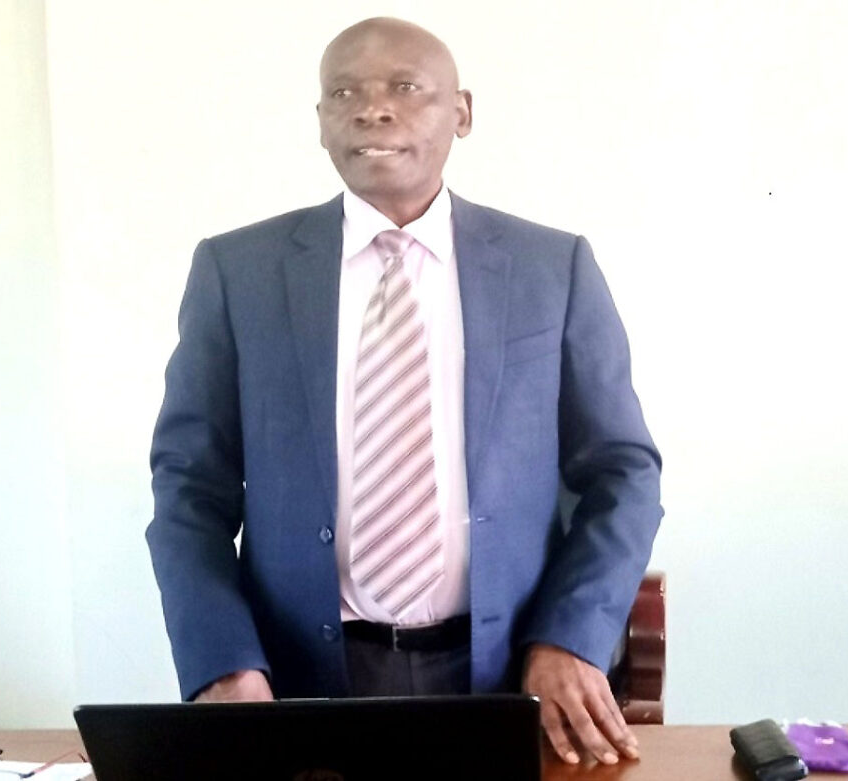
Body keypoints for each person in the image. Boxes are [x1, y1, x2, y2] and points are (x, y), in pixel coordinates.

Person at [147, 16, 662, 767]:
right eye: (344, 92)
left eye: (404, 87)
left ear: (462, 111)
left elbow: (624, 471)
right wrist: (222, 661)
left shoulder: (552, 269)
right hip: (299, 685)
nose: (371, 108)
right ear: (320, 122)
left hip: (509, 675)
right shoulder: (240, 273)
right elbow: (188, 489)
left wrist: (569, 636)